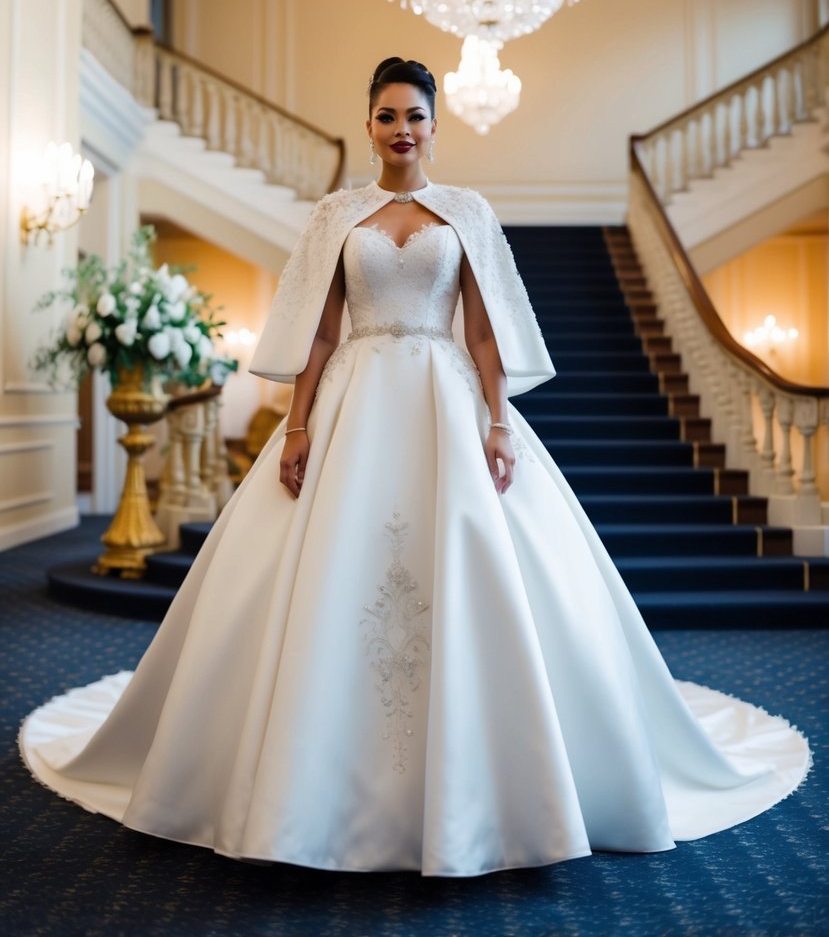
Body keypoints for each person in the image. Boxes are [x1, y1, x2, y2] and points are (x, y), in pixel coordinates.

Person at [19, 57, 810, 878]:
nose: (402, 129)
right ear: (368, 124)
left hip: (445, 397)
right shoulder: (336, 216)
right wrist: (295, 428)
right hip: (352, 399)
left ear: (435, 125)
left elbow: (481, 333)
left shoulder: (465, 211)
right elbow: (321, 334)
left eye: (416, 116)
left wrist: (498, 422)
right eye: (388, 115)